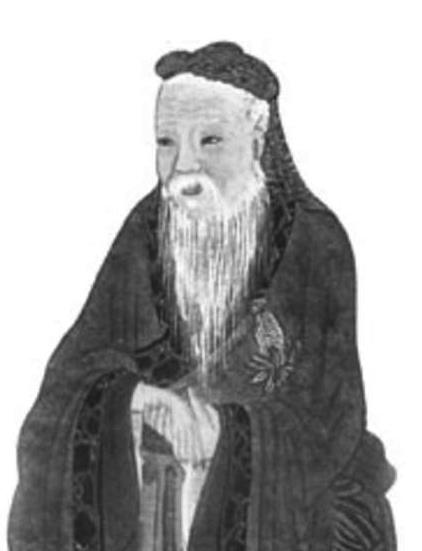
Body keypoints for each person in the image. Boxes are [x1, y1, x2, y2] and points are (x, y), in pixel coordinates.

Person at [8, 42, 396, 551]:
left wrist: (223, 434)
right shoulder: (147, 228)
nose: (182, 169)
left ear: (257, 139)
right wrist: (133, 399)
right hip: (152, 480)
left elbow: (330, 418)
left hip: (280, 498)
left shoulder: (314, 240)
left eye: (209, 140)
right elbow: (69, 380)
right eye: (166, 142)